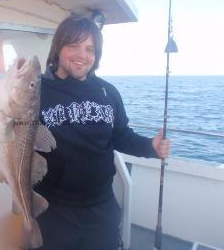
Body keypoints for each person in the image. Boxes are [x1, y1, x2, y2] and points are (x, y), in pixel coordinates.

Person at [34, 15, 171, 250]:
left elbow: (121, 136)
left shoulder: (108, 93)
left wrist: (151, 147)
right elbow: (15, 125)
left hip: (101, 206)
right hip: (53, 207)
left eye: (90, 49)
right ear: (58, 47)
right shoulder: (36, 90)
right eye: (74, 45)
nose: (82, 55)